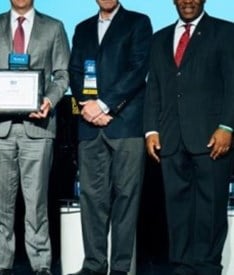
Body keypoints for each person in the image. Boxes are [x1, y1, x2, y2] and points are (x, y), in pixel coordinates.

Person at [0, 0, 70, 274]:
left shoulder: (54, 27)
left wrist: (49, 99)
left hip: (37, 127)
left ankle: (41, 264)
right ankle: (2, 264)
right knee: (0, 201)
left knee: (37, 201)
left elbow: (61, 74)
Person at [144, 0, 234, 274]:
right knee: (178, 211)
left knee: (210, 211)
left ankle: (207, 268)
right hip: (171, 140)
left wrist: (227, 127)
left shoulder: (225, 32)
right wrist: (151, 130)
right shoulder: (160, 38)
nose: (188, 1)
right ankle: (182, 267)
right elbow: (154, 88)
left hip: (211, 139)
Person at [68, 1, 152, 275]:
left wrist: (105, 105)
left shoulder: (138, 22)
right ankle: (93, 265)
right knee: (91, 198)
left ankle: (120, 268)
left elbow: (138, 70)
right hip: (90, 125)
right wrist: (88, 107)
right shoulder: (82, 28)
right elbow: (75, 71)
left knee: (126, 197)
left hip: (126, 124)